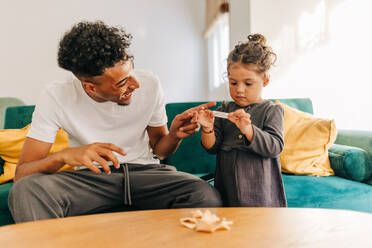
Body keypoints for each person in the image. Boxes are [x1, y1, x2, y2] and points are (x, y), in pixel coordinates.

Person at [8, 21, 222, 223]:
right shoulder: (56, 95)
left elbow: (161, 151)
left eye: (132, 71)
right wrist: (65, 156)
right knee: (27, 191)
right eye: (122, 82)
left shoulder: (150, 84)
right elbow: (23, 175)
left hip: (146, 175)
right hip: (91, 180)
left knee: (204, 195)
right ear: (90, 87)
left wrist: (174, 135)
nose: (136, 84)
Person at [195, 34, 287, 207]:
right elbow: (212, 148)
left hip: (261, 194)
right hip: (227, 191)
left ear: (265, 81)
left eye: (248, 83)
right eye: (233, 83)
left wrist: (249, 130)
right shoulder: (224, 109)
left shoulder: (272, 110)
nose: (239, 90)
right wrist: (207, 129)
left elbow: (275, 147)